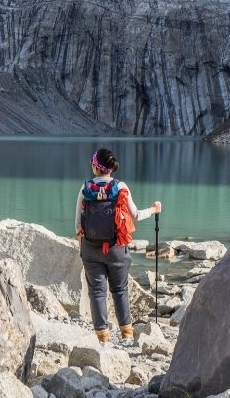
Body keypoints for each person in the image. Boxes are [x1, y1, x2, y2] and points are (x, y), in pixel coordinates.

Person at [76, 147, 162, 344]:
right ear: (110, 168)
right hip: (117, 248)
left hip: (90, 248)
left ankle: (103, 337)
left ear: (95, 166)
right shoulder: (120, 186)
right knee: (120, 289)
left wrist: (84, 248)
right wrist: (154, 210)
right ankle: (127, 334)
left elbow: (78, 224)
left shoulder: (85, 188)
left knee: (97, 291)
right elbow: (135, 215)